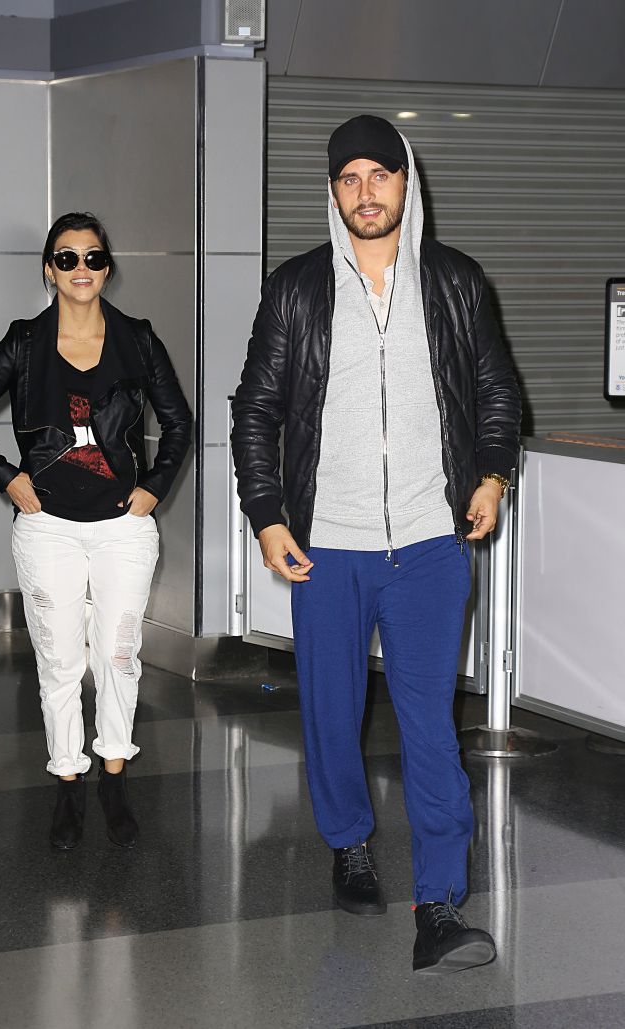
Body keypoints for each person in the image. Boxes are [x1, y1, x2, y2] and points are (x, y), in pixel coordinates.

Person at [231, 116, 521, 974]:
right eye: (349, 177)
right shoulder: (296, 290)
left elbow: (496, 386)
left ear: (407, 182)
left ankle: (439, 903)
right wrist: (268, 514)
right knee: (331, 710)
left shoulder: (457, 282)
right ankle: (349, 841)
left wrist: (493, 473)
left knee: (430, 723)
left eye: (380, 174)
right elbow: (257, 408)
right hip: (328, 545)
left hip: (431, 542)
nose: (366, 190)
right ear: (332, 192)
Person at [0, 212, 191, 852]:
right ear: (50, 269)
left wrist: (153, 489)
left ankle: (114, 772)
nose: (82, 270)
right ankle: (68, 780)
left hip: (122, 528)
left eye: (93, 258)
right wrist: (9, 479)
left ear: (108, 268)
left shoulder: (138, 338)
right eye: (68, 258)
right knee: (59, 659)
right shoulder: (25, 342)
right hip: (46, 526)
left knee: (117, 653)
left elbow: (178, 422)